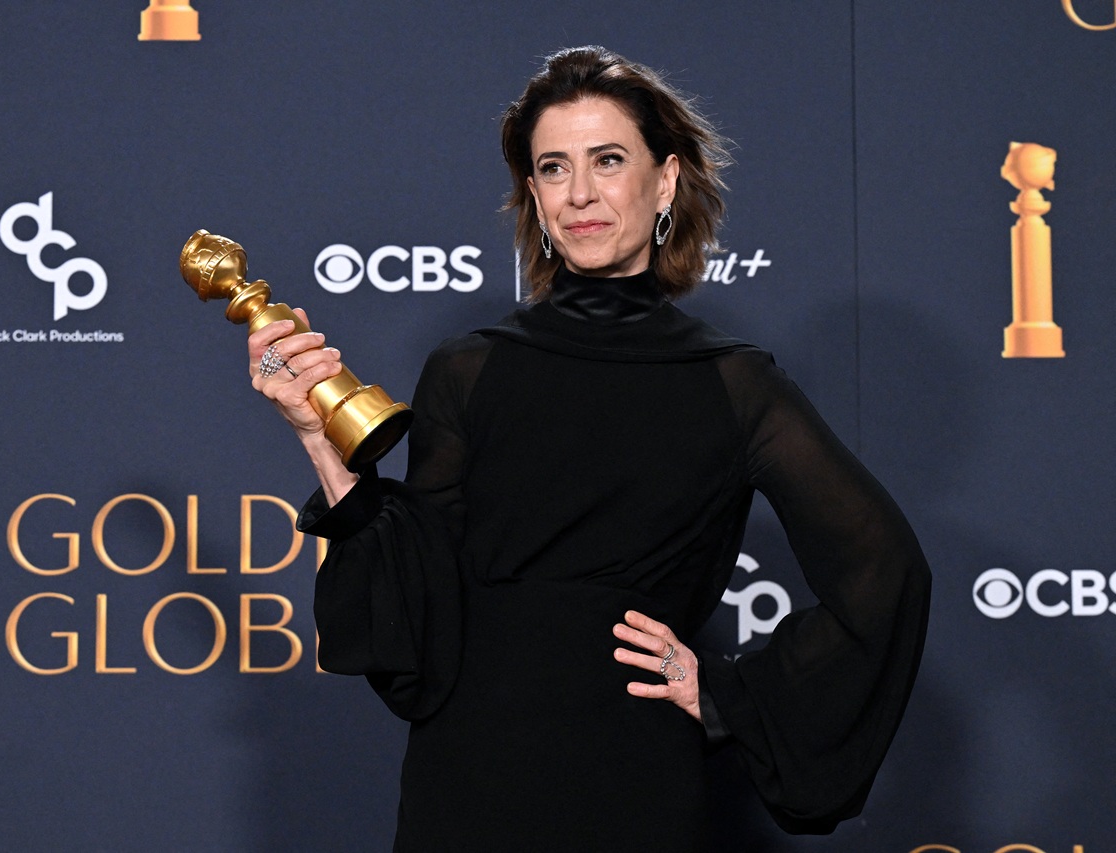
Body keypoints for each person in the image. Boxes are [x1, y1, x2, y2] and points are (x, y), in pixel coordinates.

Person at [247, 46, 930, 851]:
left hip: (634, 779)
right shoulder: (470, 369)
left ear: (665, 180)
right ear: (532, 195)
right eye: (553, 168)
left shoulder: (734, 386)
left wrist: (719, 690)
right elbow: (417, 611)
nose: (580, 194)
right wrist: (315, 438)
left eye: (608, 161)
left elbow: (886, 572)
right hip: (467, 782)